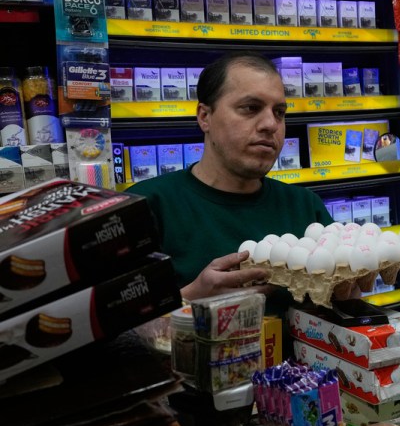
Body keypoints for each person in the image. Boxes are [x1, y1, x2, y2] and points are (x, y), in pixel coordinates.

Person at [128, 51, 334, 305]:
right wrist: (190, 300)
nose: (271, 124)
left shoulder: (305, 206)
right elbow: (115, 330)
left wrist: (344, 297)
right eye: (251, 108)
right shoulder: (144, 207)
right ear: (205, 117)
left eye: (279, 112)